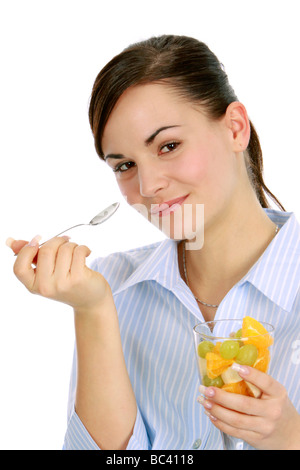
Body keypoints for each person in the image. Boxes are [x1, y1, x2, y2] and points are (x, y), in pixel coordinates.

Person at [7, 35, 300, 450]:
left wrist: (292, 437)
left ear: (235, 128)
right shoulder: (112, 288)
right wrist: (93, 311)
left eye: (168, 146)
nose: (148, 186)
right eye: (125, 165)